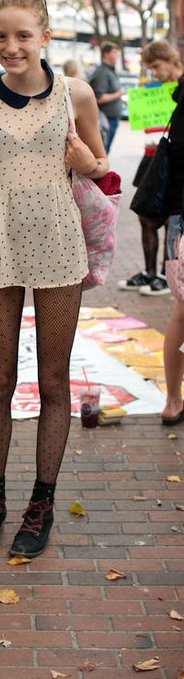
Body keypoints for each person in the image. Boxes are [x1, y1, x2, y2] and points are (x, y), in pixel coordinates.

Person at [0, 0, 107, 558]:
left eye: (23, 35)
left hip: (59, 248)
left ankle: (41, 503)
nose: (11, 46)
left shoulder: (77, 94)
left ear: (45, 37)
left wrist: (87, 162)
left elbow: (100, 167)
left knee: (52, 382)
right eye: (1, 36)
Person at [118, 41, 182, 296]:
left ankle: (166, 275)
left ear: (170, 60)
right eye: (150, 68)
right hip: (152, 156)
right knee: (145, 215)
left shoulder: (180, 87)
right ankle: (150, 273)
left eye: (156, 66)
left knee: (170, 220)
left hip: (171, 158)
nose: (154, 72)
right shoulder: (154, 89)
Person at [160, 69, 184, 426]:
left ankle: (173, 399)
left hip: (179, 221)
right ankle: (173, 399)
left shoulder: (180, 106)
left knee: (181, 314)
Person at [89, 41, 123, 154]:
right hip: (105, 120)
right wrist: (118, 94)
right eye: (114, 52)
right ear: (106, 54)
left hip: (111, 119)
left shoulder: (110, 71)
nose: (117, 55)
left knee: (105, 150)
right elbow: (99, 98)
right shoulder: (102, 72)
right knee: (102, 152)